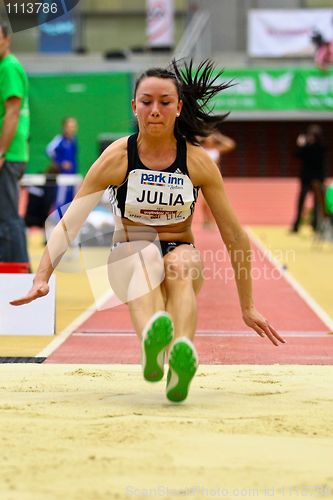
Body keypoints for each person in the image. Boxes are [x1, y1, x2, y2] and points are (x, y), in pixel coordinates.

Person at [11, 59, 285, 403]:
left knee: (180, 265)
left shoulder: (197, 162)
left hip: (180, 248)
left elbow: (234, 236)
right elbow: (71, 221)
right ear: (134, 106)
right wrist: (41, 277)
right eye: (147, 102)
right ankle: (154, 343)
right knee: (144, 258)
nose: (155, 110)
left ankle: (179, 358)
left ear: (178, 107)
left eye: (165, 102)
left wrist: (248, 306)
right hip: (130, 252)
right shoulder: (117, 158)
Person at [0, 22, 30, 264]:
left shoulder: (8, 67)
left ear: (7, 40)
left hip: (8, 154)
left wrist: (1, 151)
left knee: (8, 217)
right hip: (10, 153)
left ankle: (19, 272)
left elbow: (12, 112)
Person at [290, 125, 326, 233]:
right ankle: (304, 225)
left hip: (313, 178)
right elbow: (296, 155)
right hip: (311, 178)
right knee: (306, 202)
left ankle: (312, 225)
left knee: (314, 203)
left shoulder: (313, 147)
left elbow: (297, 154)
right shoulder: (320, 147)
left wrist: (302, 145)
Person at [197, 130, 236, 229]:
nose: (209, 139)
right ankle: (206, 220)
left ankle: (212, 221)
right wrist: (200, 136)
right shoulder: (201, 149)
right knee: (204, 202)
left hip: (214, 178)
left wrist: (219, 137)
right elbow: (189, 143)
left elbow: (231, 144)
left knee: (214, 201)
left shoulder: (217, 149)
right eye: (208, 137)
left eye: (211, 138)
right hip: (203, 176)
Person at [46, 116, 78, 212]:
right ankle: (57, 222)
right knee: (61, 201)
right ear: (64, 127)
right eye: (70, 126)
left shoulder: (74, 141)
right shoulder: (59, 140)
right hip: (62, 177)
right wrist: (60, 163)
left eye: (74, 126)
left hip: (72, 176)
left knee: (71, 201)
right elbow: (49, 150)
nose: (72, 129)